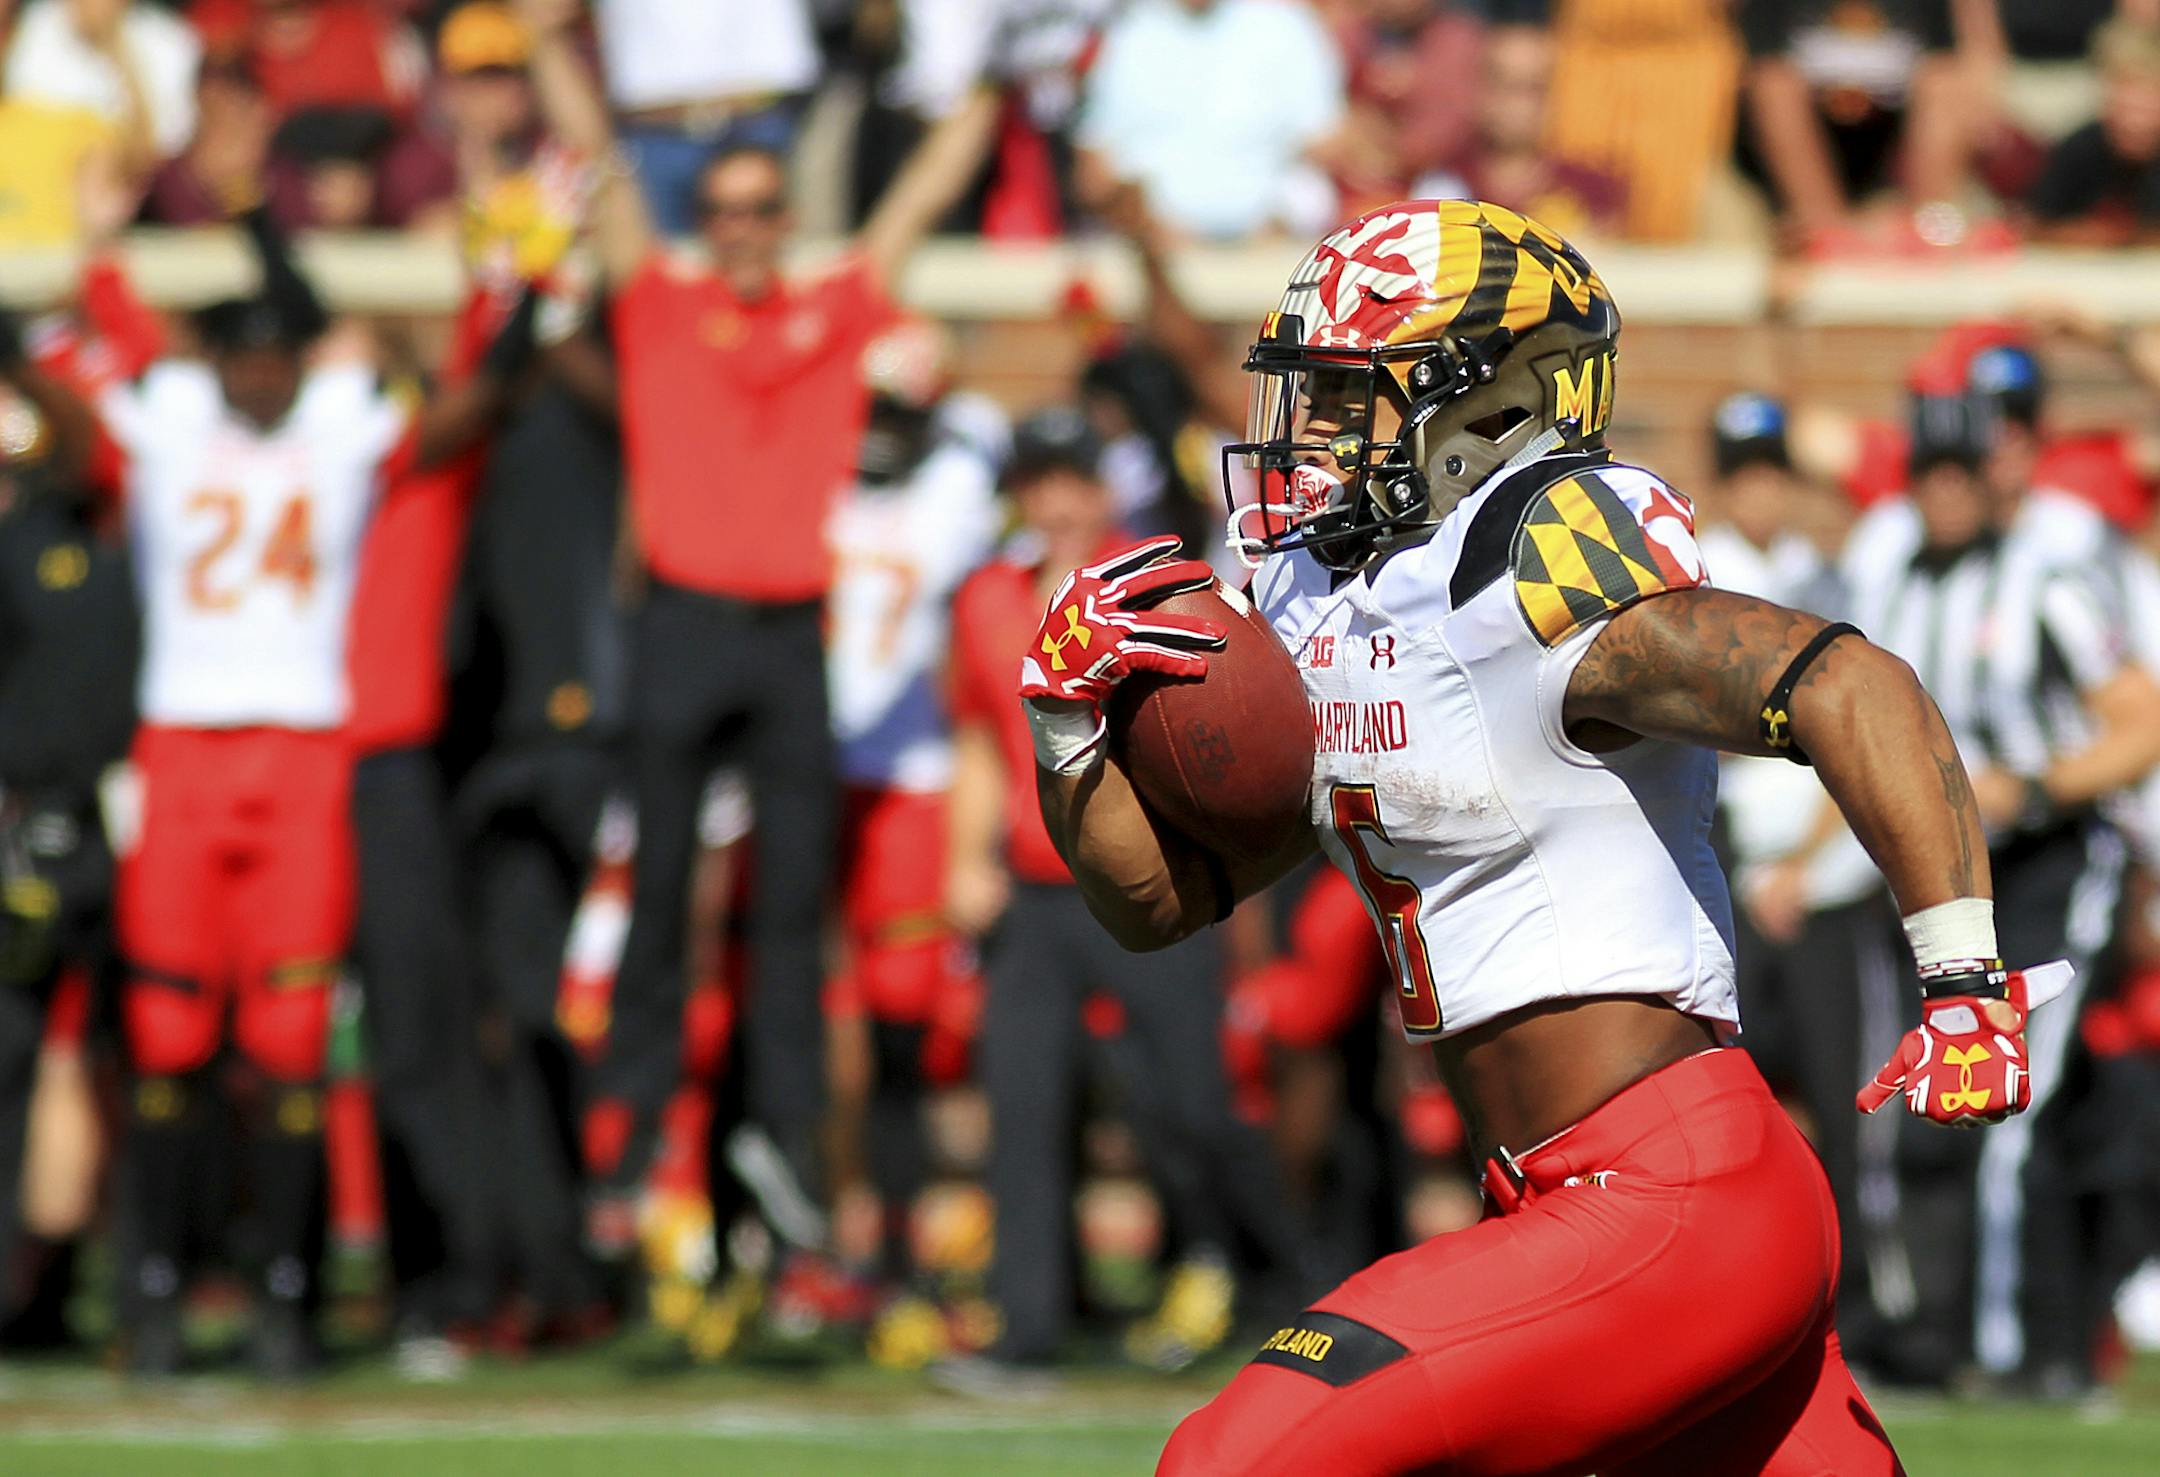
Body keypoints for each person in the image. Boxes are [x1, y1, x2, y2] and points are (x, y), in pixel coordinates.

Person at [1023, 198, 2061, 1474]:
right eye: (1313, 399)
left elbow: (1853, 685)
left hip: (1674, 1193)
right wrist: (1065, 729)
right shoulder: (1332, 598)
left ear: (1489, 407)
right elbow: (1159, 903)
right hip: (1575, 1199)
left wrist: (1964, 982)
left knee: (1239, 1459)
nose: (1315, 439)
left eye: (1358, 399)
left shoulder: (1537, 558)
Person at [516, 0, 1001, 1255]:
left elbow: (929, 187)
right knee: (662, 888)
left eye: (755, 211)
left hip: (789, 633)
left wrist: (992, 80)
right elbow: (610, 171)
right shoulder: (661, 302)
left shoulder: (833, 304)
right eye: (720, 210)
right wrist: (547, 47)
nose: (736, 231)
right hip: (683, 622)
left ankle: (785, 1158)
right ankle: (622, 1145)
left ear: (781, 219)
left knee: (790, 914)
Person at [52, 207, 535, 1378]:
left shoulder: (342, 434)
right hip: (185, 748)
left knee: (288, 1034)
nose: (261, 368)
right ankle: (159, 1290)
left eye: (280, 350)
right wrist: (72, 292)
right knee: (167, 1032)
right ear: (213, 359)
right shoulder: (162, 425)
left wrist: (515, 303)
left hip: (303, 753)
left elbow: (474, 411)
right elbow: (73, 420)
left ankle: (286, 1296)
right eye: (241, 350)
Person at [940, 410, 1312, 1389]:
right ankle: (1027, 1327)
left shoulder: (1155, 586)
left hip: (1148, 884)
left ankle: (1276, 1282)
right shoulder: (983, 595)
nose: (1057, 500)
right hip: (1030, 888)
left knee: (1191, 1102)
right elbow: (981, 738)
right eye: (1039, 479)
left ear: (1105, 490)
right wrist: (961, 857)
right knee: (1021, 1105)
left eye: (1073, 479)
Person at [1843, 390, 2160, 1393]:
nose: (1941, 496)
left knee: (2011, 1097)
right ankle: (1936, 1336)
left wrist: (2036, 784)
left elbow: (2139, 721)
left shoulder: (2050, 580)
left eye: (1958, 477)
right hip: (1938, 871)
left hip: (2051, 858)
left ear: (1991, 482)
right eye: (1925, 477)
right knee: (1926, 1101)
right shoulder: (1893, 579)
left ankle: (2019, 1346)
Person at [823, 316, 1002, 1362]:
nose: (878, 433)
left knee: (912, 1028)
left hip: (912, 783)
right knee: (807, 1021)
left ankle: (913, 1246)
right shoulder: (814, 472)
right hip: (808, 780)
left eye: (899, 414)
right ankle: (829, 1241)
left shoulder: (958, 488)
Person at [2026, 16, 2160, 245]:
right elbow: (2036, 225)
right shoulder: (2078, 149)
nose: (2134, 121)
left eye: (2146, 105)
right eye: (2125, 105)